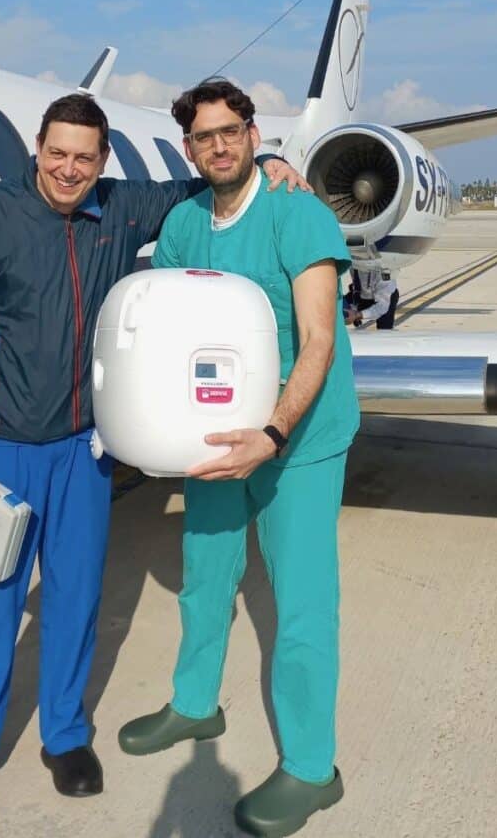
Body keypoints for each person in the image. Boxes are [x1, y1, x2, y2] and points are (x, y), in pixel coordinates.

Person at [0, 92, 309, 838]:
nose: (69, 170)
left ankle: (65, 735)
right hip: (2, 447)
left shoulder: (121, 207)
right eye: (57, 153)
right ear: (37, 149)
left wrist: (265, 161)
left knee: (76, 598)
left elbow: (201, 181)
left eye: (84, 157)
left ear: (103, 160)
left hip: (84, 448)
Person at [117, 79, 359, 838]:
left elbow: (318, 340)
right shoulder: (186, 223)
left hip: (298, 442)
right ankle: (195, 705)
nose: (219, 146)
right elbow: (170, 334)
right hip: (218, 438)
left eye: (231, 131)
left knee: (303, 603)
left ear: (255, 134)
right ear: (188, 148)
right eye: (204, 136)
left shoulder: (297, 213)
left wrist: (274, 435)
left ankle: (313, 769)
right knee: (205, 577)